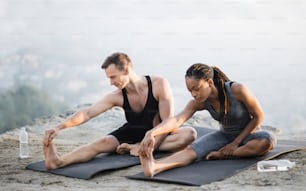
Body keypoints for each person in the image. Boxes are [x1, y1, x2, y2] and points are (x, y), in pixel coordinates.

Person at [43, 52, 196, 170]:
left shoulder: (159, 84)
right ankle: (58, 161)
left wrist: (144, 147)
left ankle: (133, 147)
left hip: (157, 133)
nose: (111, 83)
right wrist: (59, 127)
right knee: (100, 144)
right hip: (132, 133)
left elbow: (167, 123)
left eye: (113, 77)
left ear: (127, 70)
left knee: (188, 134)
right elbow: (88, 112)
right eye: (109, 78)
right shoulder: (117, 96)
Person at [139, 63, 276, 177]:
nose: (194, 94)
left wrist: (235, 143)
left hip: (249, 135)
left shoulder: (237, 90)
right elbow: (176, 120)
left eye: (196, 89)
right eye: (190, 90)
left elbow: (259, 116)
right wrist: (151, 133)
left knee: (266, 141)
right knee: (191, 151)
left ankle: (222, 155)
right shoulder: (198, 102)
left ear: (209, 82)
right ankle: (156, 166)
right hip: (224, 136)